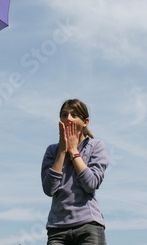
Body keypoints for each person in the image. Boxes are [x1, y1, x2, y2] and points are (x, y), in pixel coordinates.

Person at [41, 99, 110, 245]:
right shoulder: (52, 151)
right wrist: (62, 151)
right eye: (64, 115)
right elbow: (49, 189)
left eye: (73, 115)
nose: (68, 119)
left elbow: (90, 184)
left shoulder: (96, 146)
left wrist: (73, 151)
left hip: (88, 226)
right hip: (57, 229)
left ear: (85, 122)